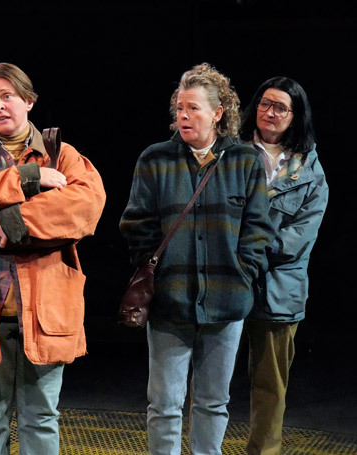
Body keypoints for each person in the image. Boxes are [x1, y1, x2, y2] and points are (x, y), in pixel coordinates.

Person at [0, 62, 105, 454]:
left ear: (28, 100)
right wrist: (28, 177)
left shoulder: (62, 155)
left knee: (41, 418)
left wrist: (13, 219)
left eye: (7, 96)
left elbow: (86, 205)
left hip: (44, 312)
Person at [119, 63, 274, 455]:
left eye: (193, 109)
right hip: (171, 303)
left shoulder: (245, 161)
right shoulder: (155, 159)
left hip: (227, 304)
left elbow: (258, 229)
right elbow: (136, 223)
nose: (183, 116)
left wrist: (243, 273)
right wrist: (160, 272)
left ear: (218, 113)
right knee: (165, 405)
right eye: (179, 109)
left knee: (213, 403)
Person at [238, 77, 328, 455]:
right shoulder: (232, 153)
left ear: (295, 116)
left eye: (280, 108)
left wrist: (252, 249)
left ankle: (265, 451)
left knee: (270, 385)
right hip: (227, 281)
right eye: (264, 104)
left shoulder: (309, 169)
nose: (270, 113)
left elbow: (299, 236)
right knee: (207, 381)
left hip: (279, 290)